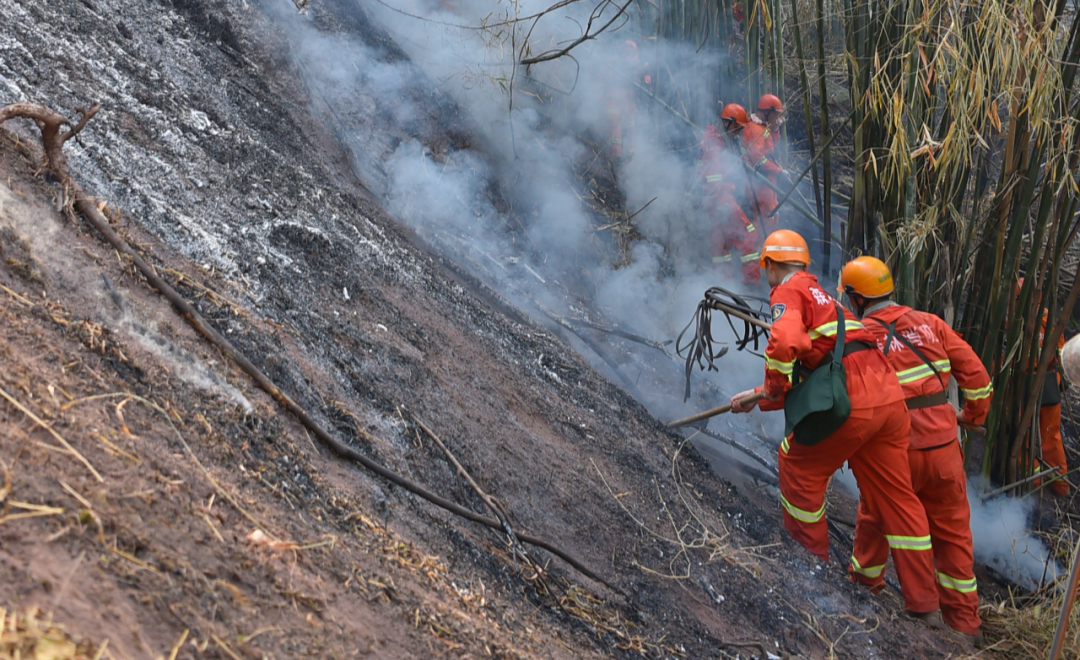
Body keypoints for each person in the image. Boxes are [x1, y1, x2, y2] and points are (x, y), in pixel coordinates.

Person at [729, 230, 941, 623]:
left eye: (767, 268)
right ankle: (925, 605)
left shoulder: (788, 291)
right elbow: (815, 374)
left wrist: (770, 388)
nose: (767, 275)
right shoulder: (826, 297)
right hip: (890, 399)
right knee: (897, 497)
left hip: (855, 397)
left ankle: (811, 571)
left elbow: (785, 345)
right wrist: (759, 397)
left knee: (796, 463)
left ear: (771, 265)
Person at [840, 256, 991, 645]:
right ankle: (963, 627)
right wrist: (971, 415)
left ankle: (865, 590)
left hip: (893, 450)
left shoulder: (855, 334)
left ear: (855, 299)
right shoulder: (931, 323)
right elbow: (978, 379)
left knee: (876, 517)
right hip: (944, 452)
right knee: (953, 534)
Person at [1017, 277, 1069, 496]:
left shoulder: (1015, 320)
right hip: (1048, 384)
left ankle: (1036, 485)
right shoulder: (1048, 318)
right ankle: (1059, 485)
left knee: (1024, 435)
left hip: (1023, 386)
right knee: (1050, 436)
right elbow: (1060, 354)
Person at [701, 103, 760, 284]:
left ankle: (723, 284)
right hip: (722, 199)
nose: (738, 133)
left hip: (716, 201)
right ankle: (751, 283)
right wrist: (724, 203)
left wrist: (752, 119)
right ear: (729, 123)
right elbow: (714, 178)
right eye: (737, 128)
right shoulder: (715, 143)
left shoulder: (718, 136)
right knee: (748, 235)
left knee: (721, 246)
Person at [739, 94, 785, 230]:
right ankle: (761, 247)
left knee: (772, 213)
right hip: (758, 180)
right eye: (775, 114)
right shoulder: (754, 130)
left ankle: (766, 245)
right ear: (767, 112)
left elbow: (769, 149)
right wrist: (779, 171)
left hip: (765, 178)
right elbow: (758, 159)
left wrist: (775, 130)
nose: (777, 117)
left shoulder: (762, 128)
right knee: (766, 217)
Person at [603, 40, 648, 161]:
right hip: (614, 98)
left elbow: (646, 83)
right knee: (614, 126)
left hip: (628, 100)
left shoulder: (639, 64)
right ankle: (616, 157)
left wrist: (639, 82)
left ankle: (629, 158)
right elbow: (603, 78)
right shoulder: (612, 62)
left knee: (630, 128)